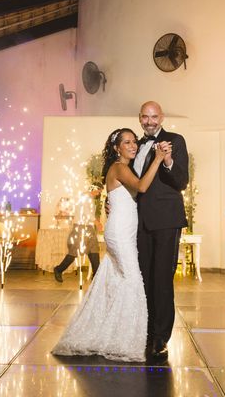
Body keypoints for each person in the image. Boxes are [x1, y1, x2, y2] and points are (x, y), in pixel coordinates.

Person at [52, 128, 169, 362]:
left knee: (117, 280)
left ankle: (111, 331)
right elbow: (142, 187)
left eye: (134, 141)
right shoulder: (119, 167)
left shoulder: (123, 168)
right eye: (127, 142)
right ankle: (124, 338)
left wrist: (108, 202)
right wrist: (157, 158)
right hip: (119, 233)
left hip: (123, 231)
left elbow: (123, 196)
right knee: (132, 280)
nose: (133, 145)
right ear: (117, 148)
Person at [134, 101, 189, 362]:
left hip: (166, 220)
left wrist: (167, 160)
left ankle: (160, 339)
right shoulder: (134, 144)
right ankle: (144, 331)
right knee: (143, 279)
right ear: (140, 118)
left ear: (162, 117)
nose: (150, 121)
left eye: (154, 116)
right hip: (139, 222)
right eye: (145, 117)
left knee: (162, 281)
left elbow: (181, 181)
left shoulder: (175, 140)